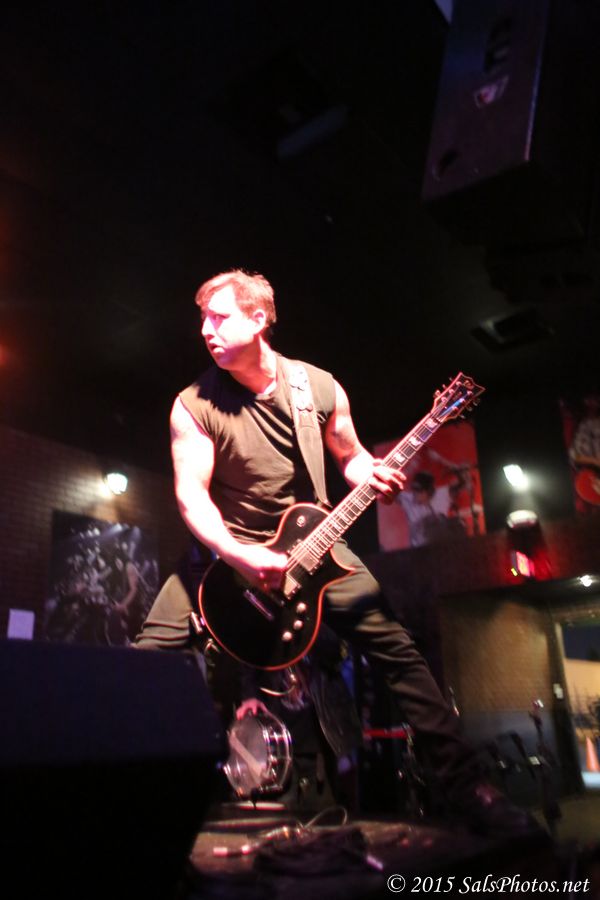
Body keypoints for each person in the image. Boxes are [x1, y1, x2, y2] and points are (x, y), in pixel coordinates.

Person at [136, 268, 540, 837]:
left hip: (315, 541)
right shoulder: (193, 404)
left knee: (399, 652)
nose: (206, 329)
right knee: (147, 658)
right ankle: (128, 798)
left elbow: (350, 457)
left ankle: (468, 786)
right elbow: (191, 498)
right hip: (224, 552)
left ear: (259, 319)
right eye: (203, 318)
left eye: (220, 317)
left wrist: (369, 472)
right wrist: (238, 554)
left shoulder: (318, 387)